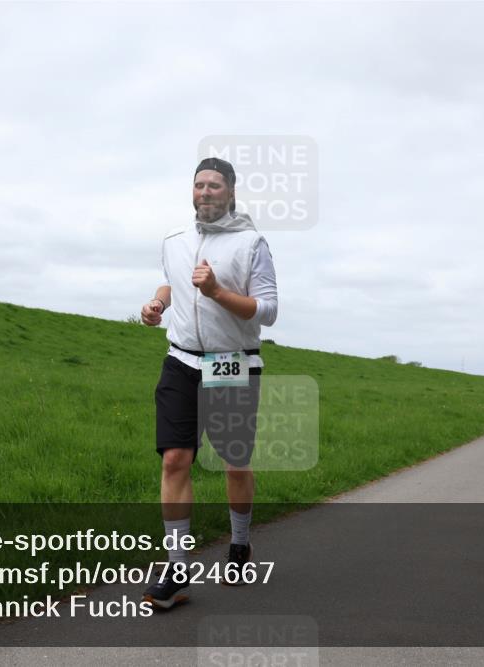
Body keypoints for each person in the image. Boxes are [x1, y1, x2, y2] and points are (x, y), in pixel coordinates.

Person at [139, 157, 278, 609]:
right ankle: (177, 567)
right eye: (199, 185)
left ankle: (239, 545)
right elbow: (171, 283)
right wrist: (158, 303)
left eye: (214, 186)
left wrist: (217, 291)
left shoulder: (251, 242)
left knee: (235, 464)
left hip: (231, 364)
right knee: (175, 459)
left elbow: (268, 311)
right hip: (181, 362)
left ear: (231, 192)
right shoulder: (175, 240)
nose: (205, 192)